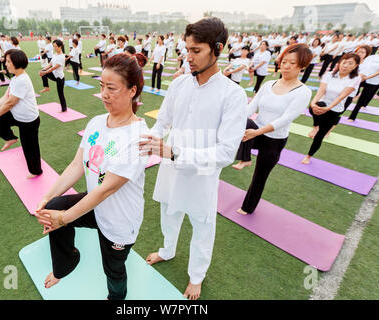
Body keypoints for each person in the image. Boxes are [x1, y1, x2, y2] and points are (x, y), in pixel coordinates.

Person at [139, 17, 247, 300]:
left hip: (201, 174)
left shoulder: (233, 94)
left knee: (202, 225)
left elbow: (225, 152)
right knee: (168, 211)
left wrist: (173, 152)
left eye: (196, 50)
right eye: (186, 49)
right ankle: (167, 250)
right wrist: (149, 140)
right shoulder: (179, 85)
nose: (188, 56)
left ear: (217, 49)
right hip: (169, 164)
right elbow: (162, 122)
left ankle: (196, 275)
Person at [35, 54, 149, 301]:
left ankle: (115, 299)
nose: (104, 94)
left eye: (112, 88)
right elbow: (77, 165)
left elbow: (105, 190)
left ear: (132, 91)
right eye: (101, 86)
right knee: (52, 208)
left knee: (114, 270)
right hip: (95, 204)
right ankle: (66, 263)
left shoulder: (138, 137)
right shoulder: (97, 122)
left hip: (119, 218)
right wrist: (48, 196)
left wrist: (63, 220)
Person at [232, 44, 312, 216]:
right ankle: (245, 158)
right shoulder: (268, 84)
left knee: (260, 177)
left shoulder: (303, 92)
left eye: (292, 63)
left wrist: (257, 133)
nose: (286, 65)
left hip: (274, 139)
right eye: (284, 61)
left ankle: (248, 207)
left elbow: (286, 119)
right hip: (256, 132)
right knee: (242, 121)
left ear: (302, 66)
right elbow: (252, 106)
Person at [0, 49, 42, 179]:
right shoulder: (15, 78)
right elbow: (5, 97)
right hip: (16, 114)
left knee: (30, 148)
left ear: (17, 62)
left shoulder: (22, 80)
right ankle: (11, 138)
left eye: (8, 61)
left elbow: (10, 102)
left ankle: (36, 171)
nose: (5, 64)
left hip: (28, 121)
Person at [301, 53, 361, 164]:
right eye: (344, 62)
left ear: (355, 66)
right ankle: (315, 125)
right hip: (323, 104)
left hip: (335, 109)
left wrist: (328, 108)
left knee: (320, 136)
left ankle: (308, 156)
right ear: (339, 63)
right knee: (313, 107)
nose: (346, 65)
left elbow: (342, 96)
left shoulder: (356, 79)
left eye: (350, 63)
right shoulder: (329, 74)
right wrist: (313, 103)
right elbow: (321, 90)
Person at [348, 41, 379, 121]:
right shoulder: (371, 57)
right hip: (362, 78)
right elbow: (362, 66)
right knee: (354, 88)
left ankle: (352, 116)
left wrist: (367, 78)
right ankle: (356, 94)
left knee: (362, 99)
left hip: (373, 81)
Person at [39, 40, 68, 113]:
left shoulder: (61, 57)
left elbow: (53, 68)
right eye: (53, 46)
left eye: (55, 46)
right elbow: (50, 64)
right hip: (54, 75)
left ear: (60, 47)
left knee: (60, 94)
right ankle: (46, 87)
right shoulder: (55, 55)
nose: (54, 48)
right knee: (42, 72)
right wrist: (43, 69)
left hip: (59, 78)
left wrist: (45, 72)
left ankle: (64, 109)